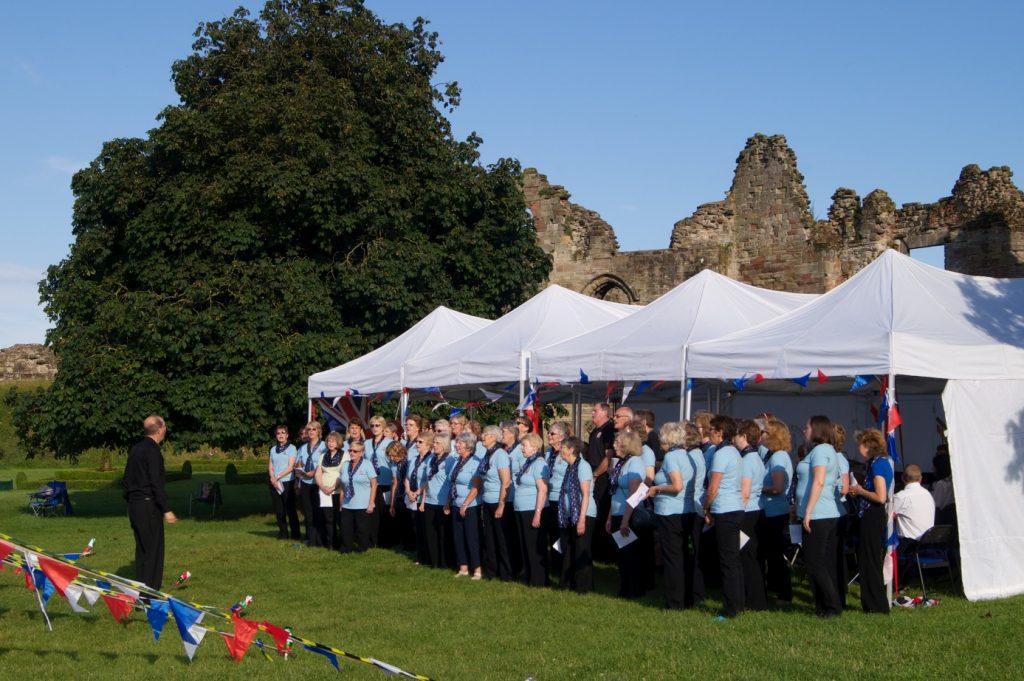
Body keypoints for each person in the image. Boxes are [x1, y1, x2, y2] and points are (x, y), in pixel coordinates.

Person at [123, 415, 176, 590]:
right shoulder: (152, 451)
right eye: (165, 426)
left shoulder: (136, 449)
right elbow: (155, 482)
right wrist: (166, 509)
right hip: (148, 505)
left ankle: (141, 591)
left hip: (135, 505)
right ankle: (150, 594)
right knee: (153, 551)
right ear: (160, 429)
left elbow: (127, 480)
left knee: (142, 550)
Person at [797, 415, 843, 618]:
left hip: (819, 514)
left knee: (815, 563)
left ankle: (833, 606)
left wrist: (807, 512)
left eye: (807, 427)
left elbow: (819, 481)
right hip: (817, 512)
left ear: (816, 429)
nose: (804, 430)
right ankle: (823, 606)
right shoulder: (818, 451)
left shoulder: (822, 450)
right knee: (818, 563)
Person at [702, 415, 745, 618]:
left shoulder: (721, 454)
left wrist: (706, 508)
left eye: (711, 429)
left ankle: (730, 609)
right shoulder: (734, 452)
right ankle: (738, 603)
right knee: (733, 560)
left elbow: (713, 487)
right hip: (734, 507)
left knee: (728, 561)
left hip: (725, 508)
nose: (708, 433)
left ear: (720, 432)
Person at [848, 428, 894, 613]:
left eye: (860, 444)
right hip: (871, 515)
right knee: (869, 560)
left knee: (871, 561)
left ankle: (877, 604)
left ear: (868, 446)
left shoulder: (878, 465)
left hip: (873, 516)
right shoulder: (879, 463)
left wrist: (859, 490)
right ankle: (871, 602)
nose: (858, 448)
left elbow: (880, 496)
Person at [647, 420, 689, 609]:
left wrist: (657, 488)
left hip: (670, 510)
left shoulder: (672, 457)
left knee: (672, 558)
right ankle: (682, 597)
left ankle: (674, 601)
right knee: (679, 556)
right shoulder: (685, 455)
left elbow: (677, 485)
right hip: (682, 509)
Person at [607, 429, 646, 599]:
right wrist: (610, 517)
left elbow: (633, 493)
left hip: (628, 513)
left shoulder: (635, 462)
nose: (614, 446)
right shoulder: (621, 463)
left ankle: (634, 590)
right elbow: (614, 490)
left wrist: (625, 520)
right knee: (621, 555)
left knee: (630, 555)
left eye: (617, 443)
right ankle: (624, 588)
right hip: (617, 511)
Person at [758, 418, 794, 603]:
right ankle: (776, 589)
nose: (761, 435)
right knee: (771, 553)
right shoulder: (772, 455)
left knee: (775, 555)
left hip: (774, 511)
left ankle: (785, 593)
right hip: (770, 510)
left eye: (764, 432)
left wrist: (756, 488)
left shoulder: (779, 457)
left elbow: (778, 487)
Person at [556, 436, 596, 593]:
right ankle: (568, 583)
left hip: (583, 514)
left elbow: (585, 494)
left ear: (571, 449)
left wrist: (581, 519)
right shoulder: (570, 467)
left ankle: (584, 587)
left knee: (581, 549)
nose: (560, 450)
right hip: (570, 514)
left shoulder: (583, 466)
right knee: (569, 548)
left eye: (563, 447)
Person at [735, 419, 767, 610]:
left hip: (747, 512)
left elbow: (744, 492)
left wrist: (737, 515)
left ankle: (755, 600)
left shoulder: (747, 460)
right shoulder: (755, 457)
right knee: (752, 557)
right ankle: (757, 598)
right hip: (756, 509)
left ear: (744, 437)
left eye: (737, 435)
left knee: (747, 557)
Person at [513, 432, 550, 586]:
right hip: (522, 509)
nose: (522, 449)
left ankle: (539, 579)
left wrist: (537, 513)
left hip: (532, 510)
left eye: (524, 446)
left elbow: (542, 489)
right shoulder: (528, 462)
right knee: (525, 544)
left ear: (534, 447)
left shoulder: (540, 463)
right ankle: (529, 576)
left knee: (535, 545)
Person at [478, 425, 514, 581]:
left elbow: (505, 481)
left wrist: (501, 504)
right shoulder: (488, 454)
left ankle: (507, 573)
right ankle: (493, 571)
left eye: (486, 434)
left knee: (502, 539)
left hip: (499, 502)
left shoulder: (500, 454)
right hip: (487, 500)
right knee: (490, 537)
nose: (482, 437)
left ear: (494, 437)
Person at [446, 432, 484, 579]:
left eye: (460, 443)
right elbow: (453, 482)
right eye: (457, 442)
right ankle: (463, 567)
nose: (456, 445)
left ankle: (477, 569)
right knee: (458, 536)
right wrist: (448, 502)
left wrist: (465, 504)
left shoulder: (476, 462)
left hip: (471, 505)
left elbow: (476, 486)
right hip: (456, 503)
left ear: (468, 445)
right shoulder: (457, 461)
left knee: (472, 537)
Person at [420, 433, 455, 569]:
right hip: (429, 501)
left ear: (445, 445)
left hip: (442, 502)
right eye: (434, 442)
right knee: (431, 533)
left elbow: (451, 482)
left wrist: (448, 502)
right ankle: (433, 561)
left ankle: (445, 562)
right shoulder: (431, 459)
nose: (434, 445)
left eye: (437, 443)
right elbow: (427, 480)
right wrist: (423, 501)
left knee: (443, 534)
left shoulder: (450, 460)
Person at [586, 403, 615, 561]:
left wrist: (596, 474)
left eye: (595, 410)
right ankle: (596, 549)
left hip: (602, 478)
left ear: (604, 412)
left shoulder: (608, 429)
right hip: (594, 475)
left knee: (602, 511)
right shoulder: (595, 431)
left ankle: (605, 553)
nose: (592, 413)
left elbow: (608, 456)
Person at [337, 440, 377, 553]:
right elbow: (343, 486)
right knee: (345, 529)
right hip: (347, 504)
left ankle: (362, 548)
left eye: (355, 451)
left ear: (361, 452)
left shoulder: (367, 464)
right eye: (350, 450)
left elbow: (374, 485)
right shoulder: (345, 465)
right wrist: (341, 504)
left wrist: (371, 503)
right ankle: (346, 549)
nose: (352, 453)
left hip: (362, 504)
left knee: (362, 529)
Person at [544, 421, 571, 572]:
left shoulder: (568, 452)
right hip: (550, 498)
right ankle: (555, 563)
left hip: (562, 498)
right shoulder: (549, 452)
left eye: (552, 433)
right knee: (553, 532)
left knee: (562, 532)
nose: (549, 435)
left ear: (561, 437)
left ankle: (564, 564)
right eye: (548, 433)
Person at [295, 421, 327, 546]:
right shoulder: (303, 448)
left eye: (313, 429)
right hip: (305, 482)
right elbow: (299, 462)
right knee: (308, 512)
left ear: (318, 431)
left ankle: (321, 538)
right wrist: (298, 471)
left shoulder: (324, 446)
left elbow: (328, 464)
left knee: (319, 511)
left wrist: (314, 472)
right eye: (309, 430)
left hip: (319, 482)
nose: (311, 432)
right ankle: (310, 538)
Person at [365, 415, 394, 548]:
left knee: (384, 512)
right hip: (371, 483)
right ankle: (372, 539)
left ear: (383, 427)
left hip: (386, 482)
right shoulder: (366, 443)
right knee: (372, 512)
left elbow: (394, 462)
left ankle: (385, 540)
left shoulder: (390, 443)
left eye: (378, 425)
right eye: (372, 425)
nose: (375, 428)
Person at [267, 425, 301, 540]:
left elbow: (291, 467)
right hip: (274, 483)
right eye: (278, 433)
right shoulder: (272, 449)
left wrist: (278, 477)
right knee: (279, 511)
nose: (280, 435)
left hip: (287, 482)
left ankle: (296, 534)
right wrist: (272, 478)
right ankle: (283, 534)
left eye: (283, 433)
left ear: (287, 435)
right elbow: (270, 466)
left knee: (290, 510)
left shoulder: (292, 448)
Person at [406, 432, 434, 564]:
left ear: (428, 444)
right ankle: (420, 555)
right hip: (412, 497)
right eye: (416, 442)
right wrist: (408, 491)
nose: (417, 444)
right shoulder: (413, 459)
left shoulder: (431, 459)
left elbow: (428, 479)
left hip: (424, 497)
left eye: (420, 442)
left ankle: (427, 555)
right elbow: (407, 477)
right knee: (416, 527)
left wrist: (417, 492)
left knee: (425, 528)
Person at [892, 463, 935, 546]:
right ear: (920, 478)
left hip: (909, 546)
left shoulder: (901, 497)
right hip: (928, 544)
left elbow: (886, 516)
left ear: (902, 478)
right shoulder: (929, 495)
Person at [316, 431, 345, 549]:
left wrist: (333, 487)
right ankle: (331, 543)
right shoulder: (323, 456)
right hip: (324, 492)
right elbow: (318, 473)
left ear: (338, 442)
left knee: (340, 518)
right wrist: (322, 487)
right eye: (328, 441)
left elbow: (343, 473)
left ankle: (343, 543)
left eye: (333, 441)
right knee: (328, 519)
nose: (330, 443)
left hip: (338, 491)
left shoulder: (345, 455)